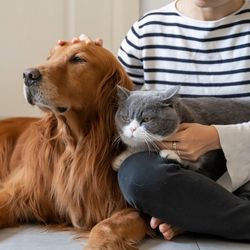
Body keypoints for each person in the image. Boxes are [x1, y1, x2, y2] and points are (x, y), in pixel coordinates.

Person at [58, 0, 250, 241]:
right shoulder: (146, 31)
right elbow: (116, 102)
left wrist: (216, 137)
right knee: (137, 178)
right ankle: (202, 213)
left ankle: (195, 215)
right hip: (176, 168)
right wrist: (87, 60)